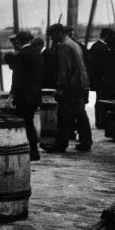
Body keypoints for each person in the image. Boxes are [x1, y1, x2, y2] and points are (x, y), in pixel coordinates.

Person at [45, 24, 92, 153]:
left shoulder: (64, 46)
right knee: (80, 114)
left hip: (70, 87)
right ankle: (86, 142)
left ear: (59, 33)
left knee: (63, 115)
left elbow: (64, 71)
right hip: (80, 84)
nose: (52, 38)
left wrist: (60, 88)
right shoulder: (73, 43)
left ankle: (60, 145)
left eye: (52, 35)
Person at [5, 31, 44, 161]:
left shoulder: (22, 55)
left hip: (24, 96)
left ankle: (32, 152)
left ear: (19, 41)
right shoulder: (38, 54)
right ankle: (34, 151)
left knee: (26, 124)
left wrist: (11, 96)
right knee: (29, 122)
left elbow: (17, 79)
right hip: (36, 95)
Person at [90, 28, 113, 129]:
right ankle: (101, 122)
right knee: (101, 100)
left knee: (99, 100)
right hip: (102, 79)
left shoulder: (95, 46)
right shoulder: (103, 48)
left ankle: (99, 121)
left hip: (97, 79)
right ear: (106, 36)